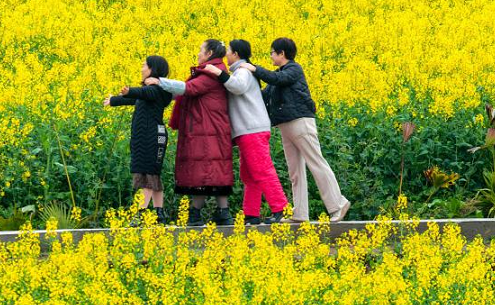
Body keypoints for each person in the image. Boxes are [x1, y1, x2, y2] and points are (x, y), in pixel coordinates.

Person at [240, 38, 350, 223]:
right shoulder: (278, 74)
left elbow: (278, 79)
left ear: (282, 53)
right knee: (295, 171)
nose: (271, 56)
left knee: (316, 163)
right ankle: (300, 214)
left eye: (272, 52)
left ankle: (338, 204)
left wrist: (255, 69)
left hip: (300, 122)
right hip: (286, 125)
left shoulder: (293, 70)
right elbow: (263, 94)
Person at [145, 39, 234, 227]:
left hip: (207, 130)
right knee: (210, 172)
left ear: (210, 53)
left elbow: (189, 89)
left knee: (207, 172)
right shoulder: (214, 70)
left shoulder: (211, 73)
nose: (198, 53)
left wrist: (160, 82)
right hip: (209, 129)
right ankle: (219, 213)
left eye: (201, 50)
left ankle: (199, 215)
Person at [200, 40, 289, 224]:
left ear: (237, 54)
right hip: (248, 130)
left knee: (262, 170)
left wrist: (219, 73)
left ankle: (281, 209)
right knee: (249, 175)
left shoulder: (243, 71)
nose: (226, 55)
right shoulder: (241, 71)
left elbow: (237, 87)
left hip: (252, 129)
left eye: (229, 52)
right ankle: (251, 214)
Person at [104, 56, 174, 223]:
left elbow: (143, 93)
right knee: (152, 174)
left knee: (148, 174)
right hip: (146, 138)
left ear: (152, 69)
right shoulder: (150, 92)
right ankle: (159, 214)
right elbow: (134, 98)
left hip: (153, 137)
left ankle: (140, 214)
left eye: (144, 66)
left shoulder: (157, 90)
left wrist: (130, 90)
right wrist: (113, 100)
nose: (141, 68)